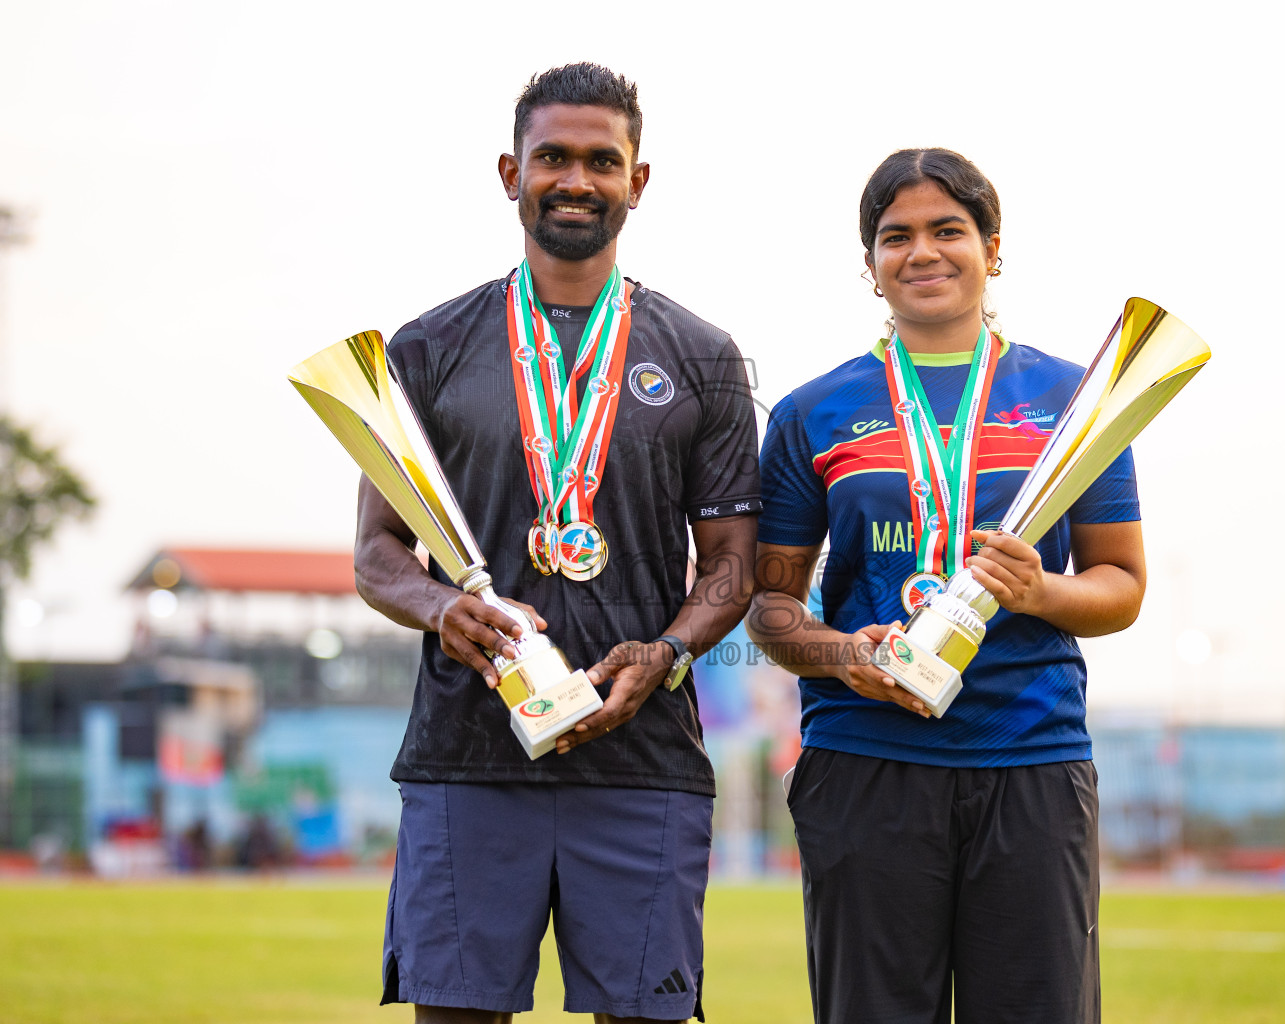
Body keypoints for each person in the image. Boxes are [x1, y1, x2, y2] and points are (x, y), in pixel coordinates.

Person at [355, 63, 761, 1024]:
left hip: (642, 759)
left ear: (637, 181)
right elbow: (377, 553)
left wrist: (666, 654)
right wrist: (442, 607)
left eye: (601, 161)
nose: (576, 180)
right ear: (512, 173)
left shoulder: (703, 356)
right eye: (552, 158)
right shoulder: (425, 349)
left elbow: (733, 566)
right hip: (469, 754)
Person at [747, 148, 1146, 1024]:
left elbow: (1120, 585)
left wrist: (1040, 593)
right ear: (870, 263)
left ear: (992, 249)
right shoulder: (812, 412)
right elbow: (770, 609)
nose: (922, 252)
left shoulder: (1074, 400)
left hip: (1029, 757)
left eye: (947, 230)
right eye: (896, 237)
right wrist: (843, 655)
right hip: (865, 762)